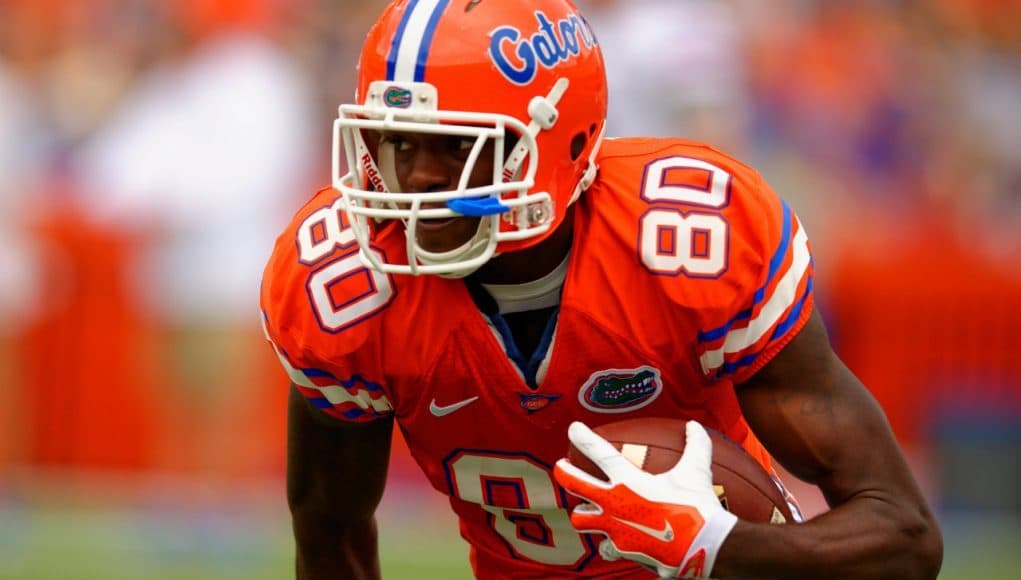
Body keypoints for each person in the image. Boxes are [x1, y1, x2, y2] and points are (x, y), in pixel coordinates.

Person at [260, 0, 943, 578]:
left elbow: (904, 535)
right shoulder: (345, 284)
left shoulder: (685, 243)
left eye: (456, 148)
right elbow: (329, 533)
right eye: (398, 144)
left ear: (558, 138)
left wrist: (715, 546)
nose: (417, 179)